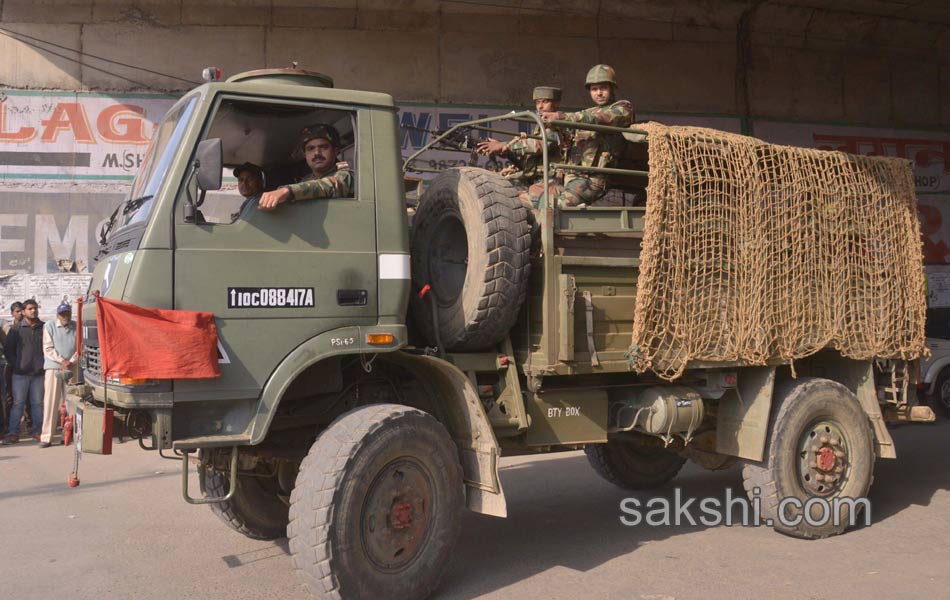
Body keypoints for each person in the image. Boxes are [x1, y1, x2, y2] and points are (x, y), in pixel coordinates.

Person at [538, 64, 635, 207]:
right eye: (594, 89)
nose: (599, 93)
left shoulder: (623, 108)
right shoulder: (588, 112)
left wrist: (562, 117)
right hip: (570, 176)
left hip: (593, 179)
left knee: (554, 208)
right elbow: (573, 132)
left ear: (612, 88)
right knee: (533, 201)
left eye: (603, 88)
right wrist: (557, 128)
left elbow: (599, 119)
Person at [476, 86, 565, 209]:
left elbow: (539, 145)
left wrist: (503, 146)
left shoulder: (558, 123)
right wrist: (507, 153)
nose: (540, 106)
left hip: (550, 180)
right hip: (535, 177)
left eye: (545, 102)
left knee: (517, 202)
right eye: (537, 102)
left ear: (556, 103)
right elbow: (531, 159)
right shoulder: (541, 125)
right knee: (500, 184)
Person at [258, 124, 354, 210]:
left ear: (336, 151)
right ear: (305, 155)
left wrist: (287, 191)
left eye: (323, 147)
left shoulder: (345, 175)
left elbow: (328, 185)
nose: (317, 153)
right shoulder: (306, 179)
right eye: (310, 149)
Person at [2, 299, 44, 444]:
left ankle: (38, 431)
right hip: (20, 375)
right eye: (30, 309)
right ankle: (14, 433)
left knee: (37, 404)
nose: (33, 311)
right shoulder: (16, 329)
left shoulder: (43, 328)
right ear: (24, 311)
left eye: (35, 308)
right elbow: (8, 350)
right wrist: (17, 365)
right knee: (18, 404)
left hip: (38, 374)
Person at [40, 301, 77, 447]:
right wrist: (62, 360)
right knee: (50, 401)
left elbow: (81, 347)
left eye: (67, 313)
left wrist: (71, 361)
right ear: (58, 315)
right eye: (62, 314)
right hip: (54, 367)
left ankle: (70, 434)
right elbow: (47, 348)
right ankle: (47, 437)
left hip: (72, 367)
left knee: (72, 401)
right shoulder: (49, 326)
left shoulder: (76, 326)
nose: (65, 316)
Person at [2, 301, 24, 434]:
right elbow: (7, 348)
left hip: (26, 366)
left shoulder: (28, 326)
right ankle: (8, 424)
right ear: (12, 313)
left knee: (27, 398)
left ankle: (29, 423)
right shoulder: (8, 328)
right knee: (10, 397)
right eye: (17, 311)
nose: (20, 313)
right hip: (11, 366)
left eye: (21, 310)